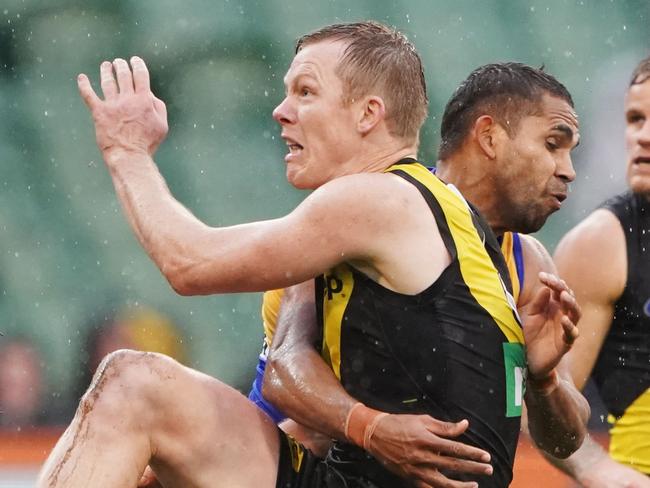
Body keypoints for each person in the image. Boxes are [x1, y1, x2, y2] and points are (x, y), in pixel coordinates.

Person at [38, 22, 585, 488]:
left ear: (369, 114)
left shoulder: (378, 199)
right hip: (345, 473)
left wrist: (126, 150)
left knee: (133, 385)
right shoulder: (445, 228)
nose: (280, 111)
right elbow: (294, 385)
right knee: (140, 394)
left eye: (305, 92)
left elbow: (189, 264)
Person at [262, 62, 590, 487]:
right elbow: (286, 388)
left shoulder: (530, 266)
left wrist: (543, 381)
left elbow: (565, 439)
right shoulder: (362, 218)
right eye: (552, 145)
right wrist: (371, 429)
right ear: (488, 137)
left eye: (570, 152)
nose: (568, 170)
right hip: (296, 458)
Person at [548, 57, 650, 487]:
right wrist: (601, 472)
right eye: (634, 118)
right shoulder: (600, 245)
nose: (641, 137)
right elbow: (545, 412)